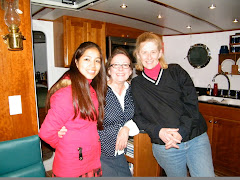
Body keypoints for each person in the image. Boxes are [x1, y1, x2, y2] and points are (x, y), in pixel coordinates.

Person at [131, 32, 215, 177]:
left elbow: (191, 105)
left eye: (153, 52)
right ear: (138, 55)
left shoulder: (176, 71)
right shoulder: (136, 85)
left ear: (160, 53)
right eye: (144, 52)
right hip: (166, 146)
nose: (149, 57)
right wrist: (158, 131)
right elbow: (138, 116)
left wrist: (180, 132)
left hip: (196, 138)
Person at [58, 47, 139, 177]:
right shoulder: (97, 91)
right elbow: (73, 109)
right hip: (99, 155)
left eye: (125, 65)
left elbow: (139, 115)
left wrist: (127, 128)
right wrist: (62, 125)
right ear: (108, 70)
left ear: (130, 71)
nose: (120, 69)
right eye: (116, 65)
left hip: (119, 154)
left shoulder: (133, 90)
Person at [38, 41, 107, 177]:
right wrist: (64, 143)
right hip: (73, 166)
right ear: (76, 61)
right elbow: (46, 133)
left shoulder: (90, 88)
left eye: (97, 61)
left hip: (91, 160)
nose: (93, 65)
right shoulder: (66, 93)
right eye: (87, 59)